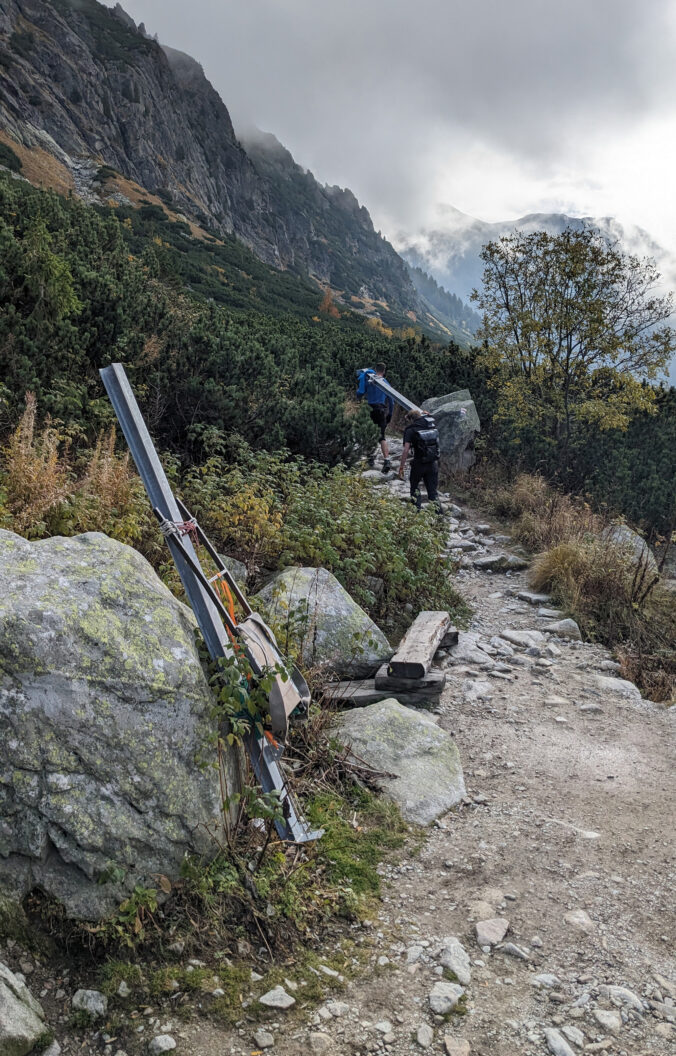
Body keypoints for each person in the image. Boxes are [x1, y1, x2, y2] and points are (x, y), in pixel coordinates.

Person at [398, 407, 441, 511]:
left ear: (410, 419)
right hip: (432, 463)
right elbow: (430, 417)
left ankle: (416, 512)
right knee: (432, 491)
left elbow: (406, 450)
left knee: (414, 487)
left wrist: (401, 466)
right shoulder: (430, 425)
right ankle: (439, 517)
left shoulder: (410, 430)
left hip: (418, 463)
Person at [356, 363, 394, 471]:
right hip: (381, 409)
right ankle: (386, 460)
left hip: (369, 408)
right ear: (384, 371)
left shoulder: (368, 380)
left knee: (369, 433)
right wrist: (390, 414)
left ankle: (370, 457)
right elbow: (391, 401)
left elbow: (360, 393)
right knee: (382, 437)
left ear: (375, 370)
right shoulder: (385, 383)